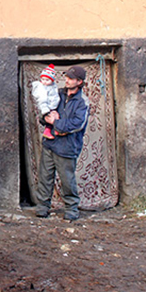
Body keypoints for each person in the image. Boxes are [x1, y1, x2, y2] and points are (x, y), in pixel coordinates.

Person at [35, 65, 90, 221]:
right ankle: (42, 207)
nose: (66, 80)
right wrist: (45, 117)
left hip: (67, 146)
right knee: (45, 176)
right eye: (66, 77)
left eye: (71, 78)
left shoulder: (82, 102)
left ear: (79, 82)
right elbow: (45, 108)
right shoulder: (58, 93)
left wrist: (57, 123)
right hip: (50, 143)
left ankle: (71, 208)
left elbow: (77, 124)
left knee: (67, 179)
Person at [31, 64, 60, 139]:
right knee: (51, 119)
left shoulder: (53, 87)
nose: (44, 82)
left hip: (52, 106)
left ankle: (57, 129)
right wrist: (45, 110)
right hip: (46, 108)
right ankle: (48, 131)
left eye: (47, 80)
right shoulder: (42, 89)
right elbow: (42, 100)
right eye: (43, 79)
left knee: (56, 117)